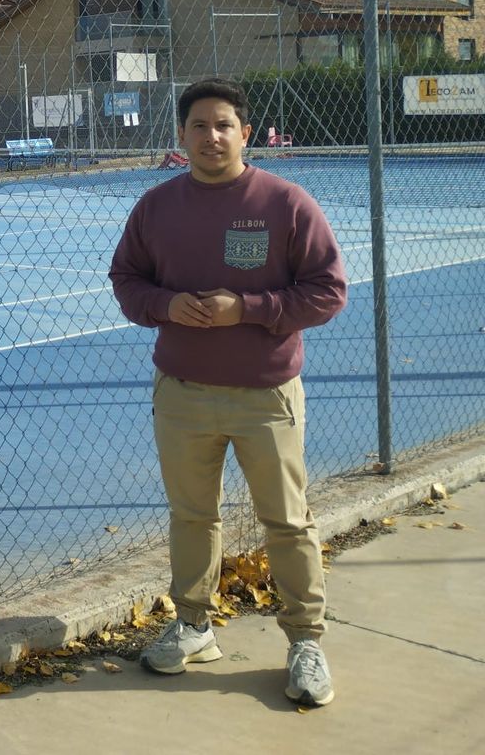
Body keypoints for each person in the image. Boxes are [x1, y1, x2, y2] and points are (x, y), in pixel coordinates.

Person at [109, 78, 346, 706]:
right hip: (182, 393)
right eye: (199, 126)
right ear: (181, 135)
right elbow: (127, 280)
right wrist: (166, 305)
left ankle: (305, 642)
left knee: (287, 520)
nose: (211, 137)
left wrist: (246, 309)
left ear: (245, 133)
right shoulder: (156, 207)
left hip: (266, 395)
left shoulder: (286, 203)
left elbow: (327, 291)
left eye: (223, 126)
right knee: (192, 516)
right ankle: (192, 626)